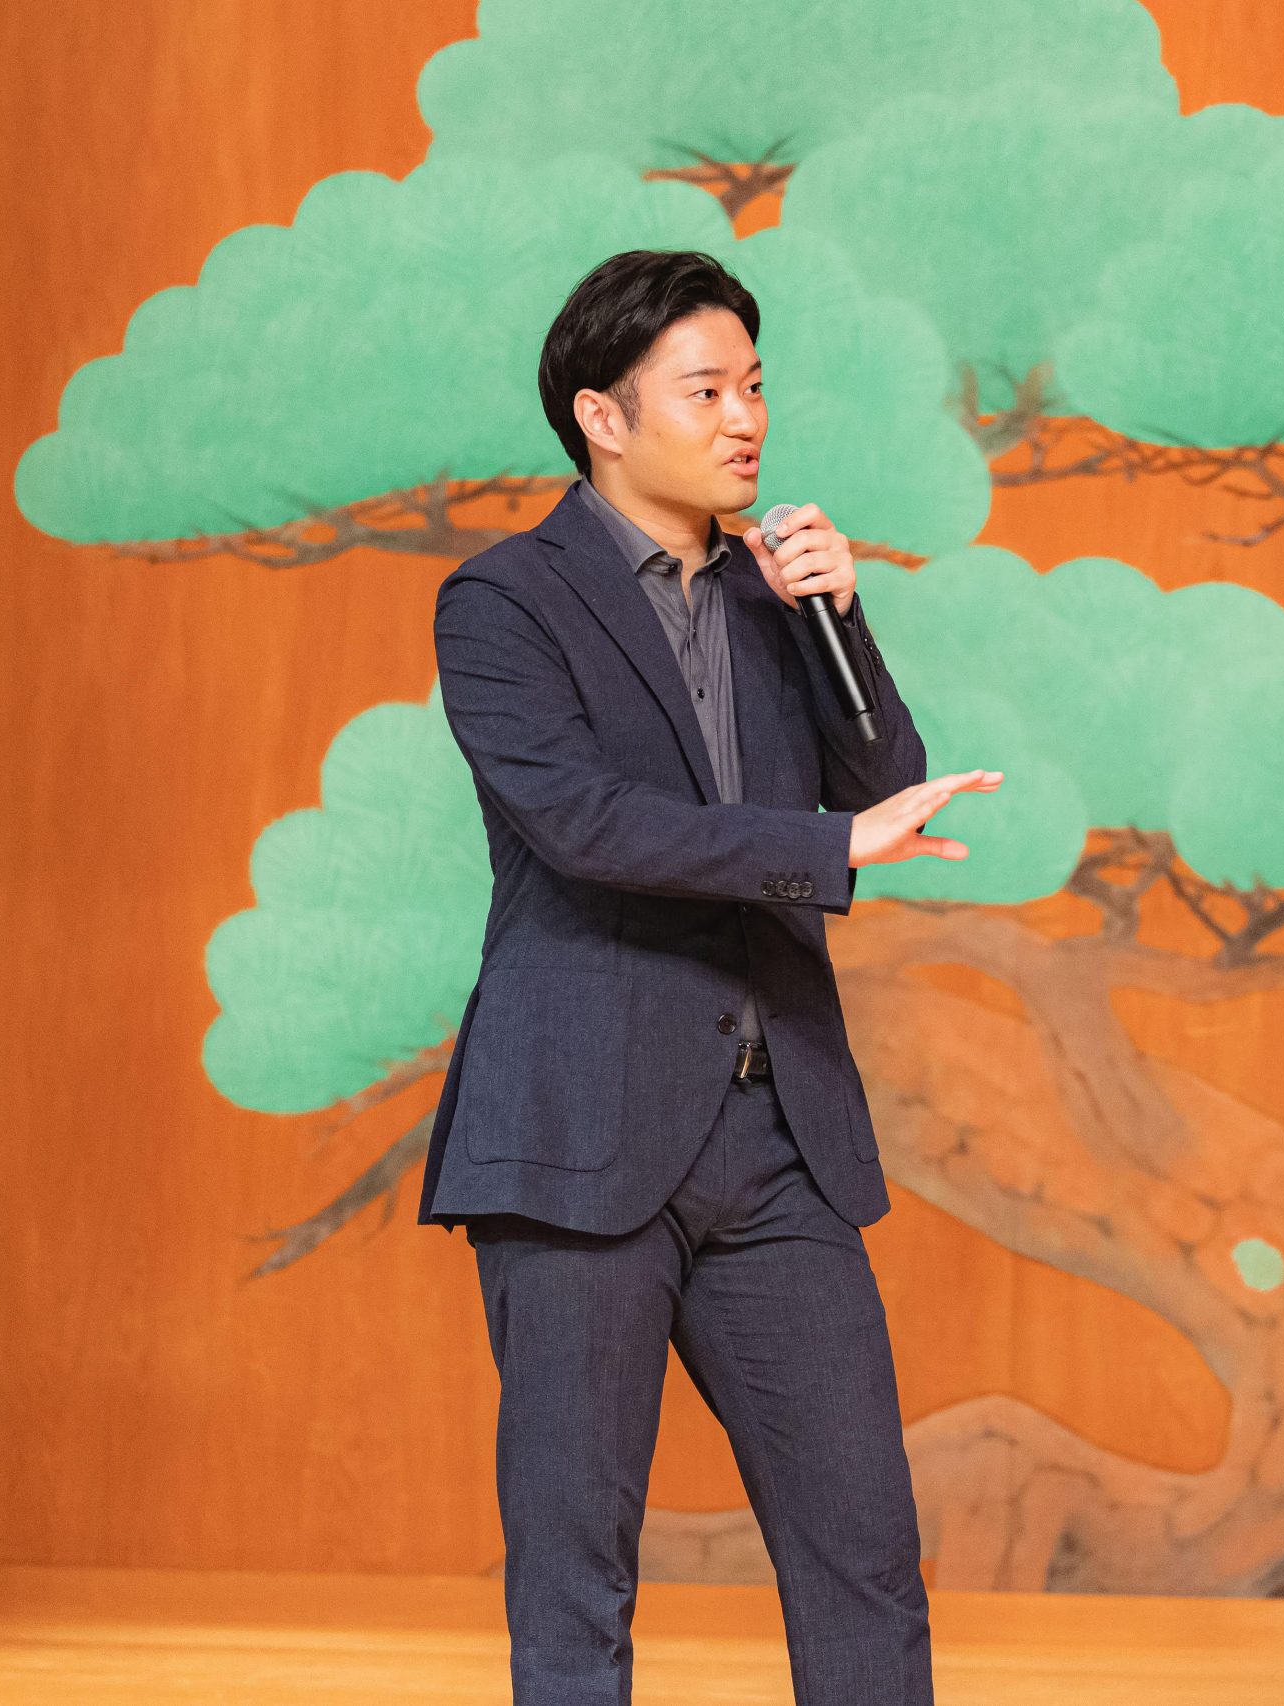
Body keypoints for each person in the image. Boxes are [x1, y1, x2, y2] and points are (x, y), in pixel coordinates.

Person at [422, 247, 998, 1705]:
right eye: (706, 391)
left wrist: (838, 614)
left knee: (865, 1556)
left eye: (754, 386)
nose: (746, 419)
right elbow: (587, 826)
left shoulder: (772, 595)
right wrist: (828, 843)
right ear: (602, 417)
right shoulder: (502, 601)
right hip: (579, 1132)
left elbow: (884, 788)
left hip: (777, 1132)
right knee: (577, 1574)